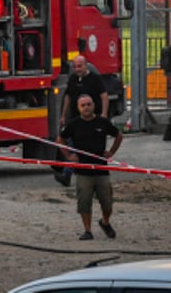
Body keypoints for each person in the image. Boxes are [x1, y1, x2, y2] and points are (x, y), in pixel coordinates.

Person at [57, 93, 123, 240]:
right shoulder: (73, 124)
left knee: (107, 202)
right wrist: (68, 156)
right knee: (84, 203)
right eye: (83, 105)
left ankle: (105, 222)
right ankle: (88, 231)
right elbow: (60, 138)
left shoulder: (102, 122)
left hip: (101, 169)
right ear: (79, 108)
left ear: (93, 105)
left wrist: (111, 152)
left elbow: (118, 135)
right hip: (83, 171)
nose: (86, 107)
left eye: (89, 104)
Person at [55, 54, 108, 185]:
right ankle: (68, 174)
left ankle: (77, 174)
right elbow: (68, 97)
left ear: (86, 65)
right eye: (75, 67)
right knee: (73, 146)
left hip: (92, 120)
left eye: (80, 66)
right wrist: (63, 115)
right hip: (76, 119)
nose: (77, 69)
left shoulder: (95, 79)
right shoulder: (73, 79)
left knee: (87, 149)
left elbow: (104, 96)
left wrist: (104, 115)